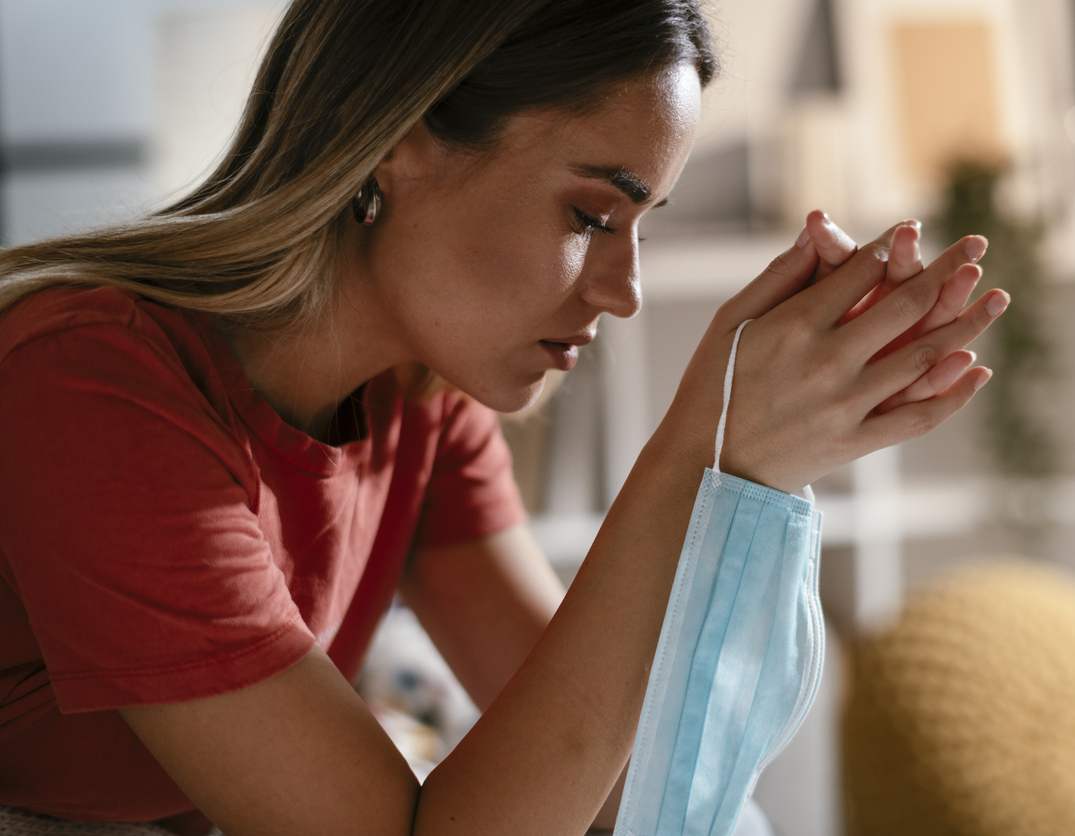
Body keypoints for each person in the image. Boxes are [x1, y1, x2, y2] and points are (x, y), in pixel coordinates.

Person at [0, 1, 1007, 834]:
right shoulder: (89, 382)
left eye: (643, 226)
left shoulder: (419, 397)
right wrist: (697, 454)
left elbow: (607, 778)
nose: (627, 291)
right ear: (396, 142)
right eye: (589, 216)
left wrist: (757, 472)